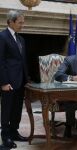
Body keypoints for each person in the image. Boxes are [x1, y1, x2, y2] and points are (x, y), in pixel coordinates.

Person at [0, 10, 28, 149]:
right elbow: (0, 61)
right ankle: (5, 137)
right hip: (8, 82)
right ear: (11, 22)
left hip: (20, 81)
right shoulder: (2, 36)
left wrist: (27, 79)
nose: (22, 25)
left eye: (23, 22)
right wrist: (4, 83)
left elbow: (22, 61)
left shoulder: (21, 39)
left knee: (17, 109)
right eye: (20, 22)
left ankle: (14, 132)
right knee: (7, 110)